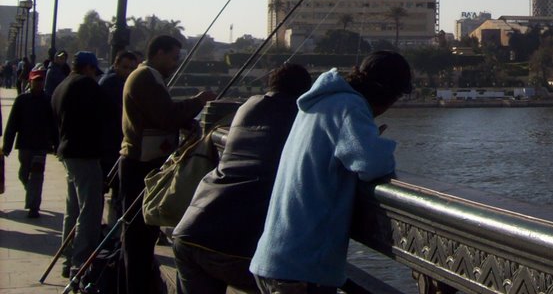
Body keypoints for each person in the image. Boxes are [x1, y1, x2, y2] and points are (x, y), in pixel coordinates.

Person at [250, 51, 412, 294]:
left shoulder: (320, 102)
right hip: (301, 269)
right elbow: (373, 164)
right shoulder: (350, 106)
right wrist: (375, 142)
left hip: (276, 257)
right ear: (387, 93)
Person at [172, 64, 313, 294]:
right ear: (304, 92)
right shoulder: (301, 118)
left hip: (190, 229)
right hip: (233, 243)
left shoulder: (248, 106)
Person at [121, 35, 215, 294]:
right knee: (138, 236)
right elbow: (165, 116)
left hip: (141, 161)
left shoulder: (147, 77)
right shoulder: (145, 77)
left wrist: (187, 122)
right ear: (159, 53)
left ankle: (138, 285)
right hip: (140, 164)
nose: (176, 63)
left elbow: (161, 113)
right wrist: (198, 101)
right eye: (174, 57)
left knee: (141, 235)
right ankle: (136, 287)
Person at [51, 51, 115, 277]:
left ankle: (68, 259)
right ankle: (81, 262)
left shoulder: (61, 86)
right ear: (88, 68)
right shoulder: (85, 85)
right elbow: (109, 110)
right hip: (84, 155)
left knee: (73, 209)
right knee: (90, 209)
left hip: (68, 153)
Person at [3, 66, 59, 217]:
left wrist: (56, 144)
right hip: (24, 144)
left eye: (41, 80)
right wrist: (6, 147)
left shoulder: (48, 101)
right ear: (30, 81)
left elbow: (54, 124)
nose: (39, 83)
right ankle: (31, 192)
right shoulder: (22, 100)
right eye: (36, 80)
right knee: (23, 173)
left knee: (37, 176)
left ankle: (34, 207)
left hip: (41, 145)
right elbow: (12, 124)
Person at [99, 49, 140, 224]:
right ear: (116, 65)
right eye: (125, 67)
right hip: (110, 146)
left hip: (109, 144)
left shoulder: (110, 81)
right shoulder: (113, 84)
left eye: (132, 68)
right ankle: (113, 231)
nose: (129, 72)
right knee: (116, 190)